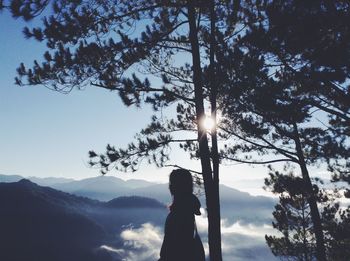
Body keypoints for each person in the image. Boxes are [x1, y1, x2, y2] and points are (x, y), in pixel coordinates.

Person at [158, 169, 203, 261]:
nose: (169, 187)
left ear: (176, 187)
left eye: (171, 184)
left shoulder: (179, 214)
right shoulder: (188, 208)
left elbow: (172, 251)